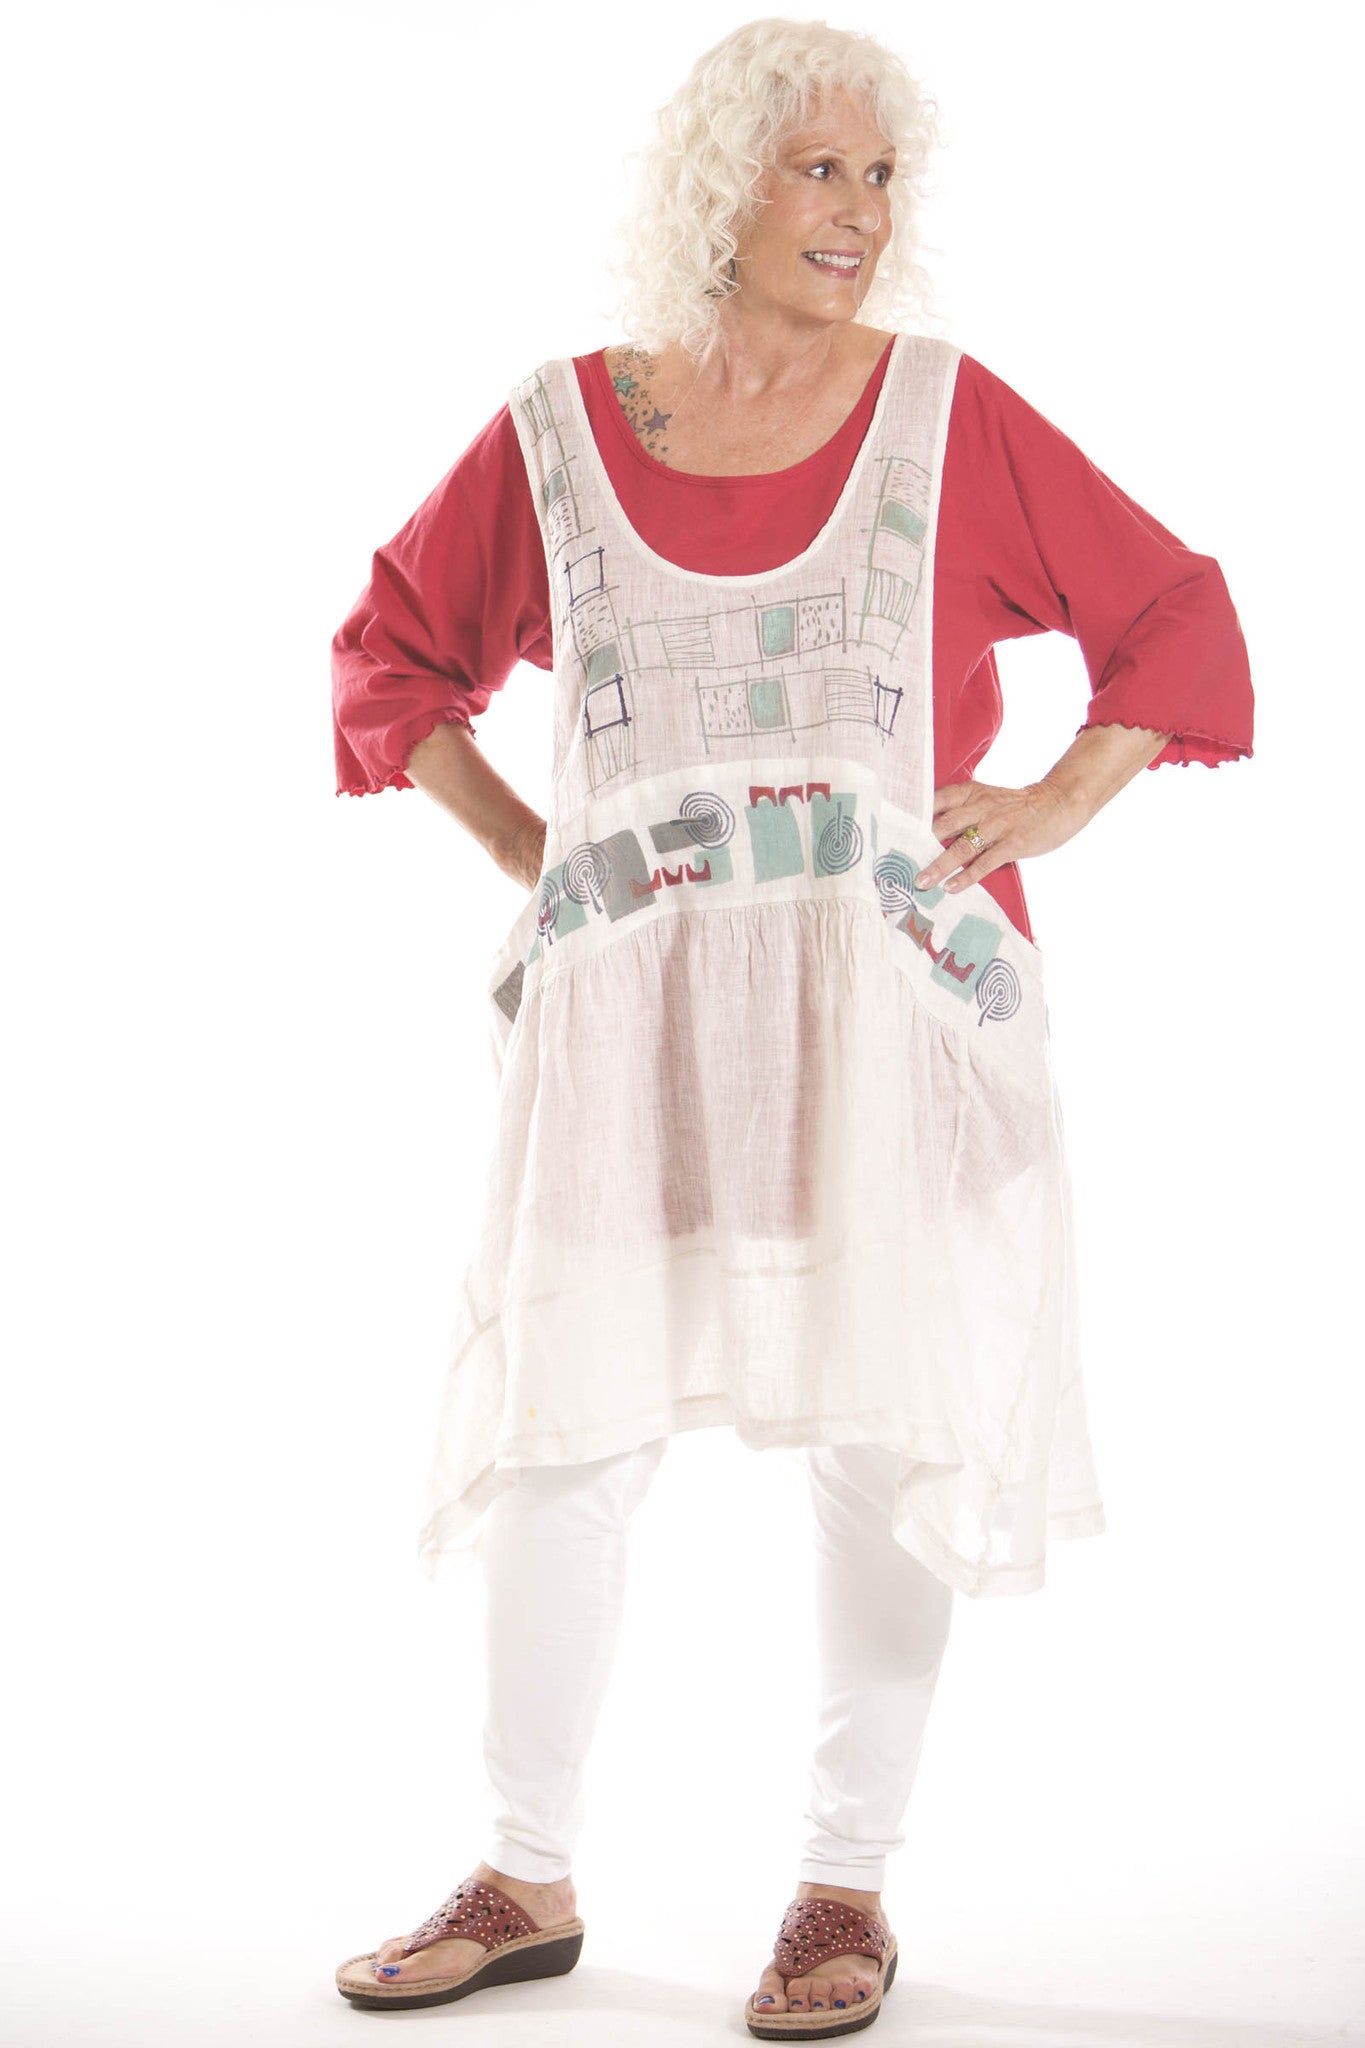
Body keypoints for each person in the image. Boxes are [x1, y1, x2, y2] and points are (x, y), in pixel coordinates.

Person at [329, 19, 1254, 2037]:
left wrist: (1055, 800)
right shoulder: (559, 428)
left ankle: (844, 1887)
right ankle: (522, 1870)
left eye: (879, 176)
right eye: (817, 168)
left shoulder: (943, 416)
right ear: (717, 187)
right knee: (568, 1432)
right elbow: (390, 656)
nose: (859, 212)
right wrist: (538, 857)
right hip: (633, 1033)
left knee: (875, 1430)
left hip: (893, 1021)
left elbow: (1174, 612)